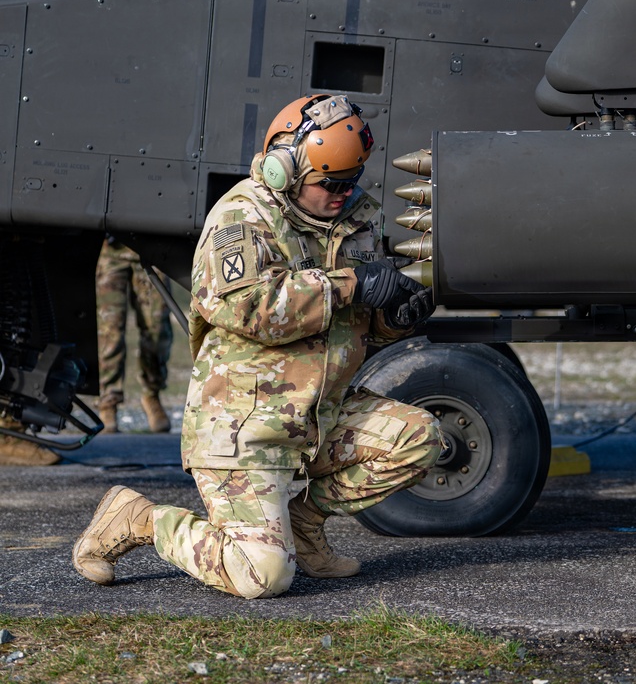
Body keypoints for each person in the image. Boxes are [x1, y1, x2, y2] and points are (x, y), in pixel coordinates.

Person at [73, 94, 440, 599]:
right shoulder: (242, 217)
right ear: (283, 169)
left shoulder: (356, 216)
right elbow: (248, 306)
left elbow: (354, 326)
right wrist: (351, 286)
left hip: (315, 415)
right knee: (261, 575)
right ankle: (139, 520)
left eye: (351, 180)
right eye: (330, 183)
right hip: (242, 425)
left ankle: (302, 525)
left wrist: (393, 320)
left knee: (418, 438)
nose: (343, 193)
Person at [95, 237, 173, 433]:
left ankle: (151, 394)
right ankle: (108, 403)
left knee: (157, 329)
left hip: (151, 247)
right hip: (112, 249)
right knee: (109, 331)